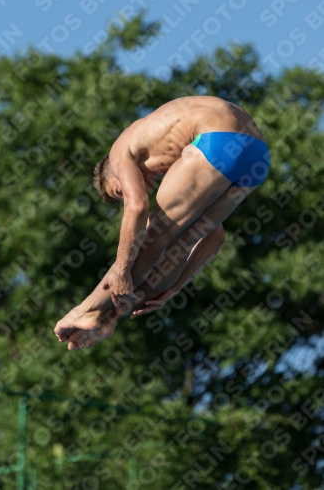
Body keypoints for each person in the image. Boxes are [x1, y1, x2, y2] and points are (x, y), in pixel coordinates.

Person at [54, 96, 270, 350]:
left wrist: (122, 268)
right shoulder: (170, 153)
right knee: (183, 238)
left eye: (118, 191)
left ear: (112, 173)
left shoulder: (118, 153)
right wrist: (177, 286)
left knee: (154, 234)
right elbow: (214, 237)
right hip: (257, 157)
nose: (127, 195)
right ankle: (108, 319)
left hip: (220, 138)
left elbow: (136, 207)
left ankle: (88, 309)